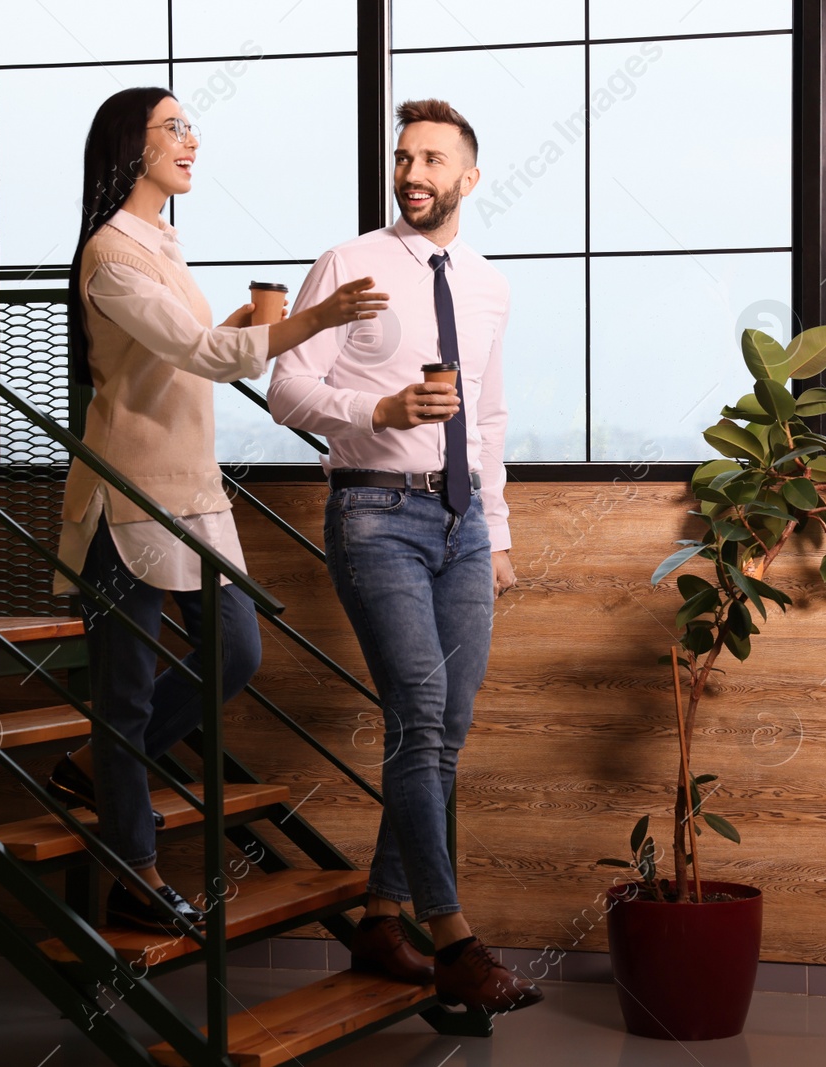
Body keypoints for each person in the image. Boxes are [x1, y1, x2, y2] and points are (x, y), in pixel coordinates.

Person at [50, 86, 387, 934]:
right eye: (174, 129)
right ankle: (134, 870)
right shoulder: (111, 253)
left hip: (191, 495)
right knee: (125, 696)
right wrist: (318, 317)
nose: (191, 141)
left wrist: (247, 324)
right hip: (128, 502)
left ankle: (97, 766)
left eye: (191, 127)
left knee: (234, 651)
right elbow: (199, 352)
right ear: (131, 147)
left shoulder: (161, 245)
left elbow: (185, 356)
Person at [267, 99, 539, 1015]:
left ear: (468, 175)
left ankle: (381, 917)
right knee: (421, 713)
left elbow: (488, 419)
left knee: (443, 729)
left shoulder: (490, 285)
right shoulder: (349, 264)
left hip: (462, 526)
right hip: (375, 515)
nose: (413, 172)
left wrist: (493, 533)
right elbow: (287, 389)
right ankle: (453, 936)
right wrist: (374, 412)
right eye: (402, 158)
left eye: (432, 159)